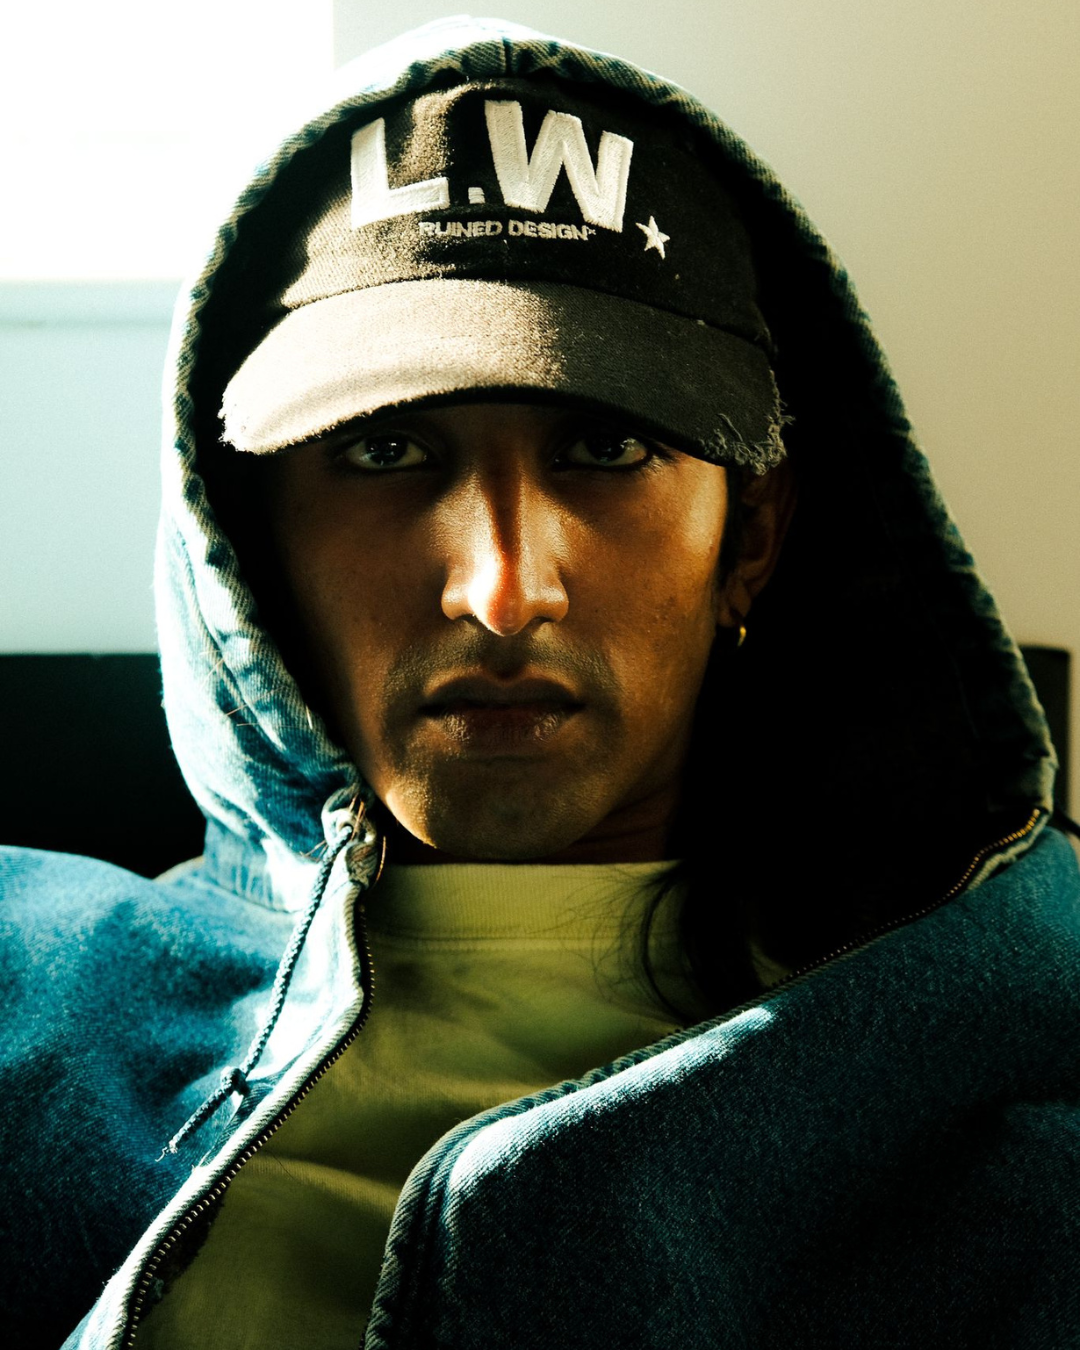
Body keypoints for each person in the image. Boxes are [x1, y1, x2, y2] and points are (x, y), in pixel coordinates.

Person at [2, 14, 1079, 1349]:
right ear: (250, 547)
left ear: (751, 534)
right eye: (386, 449)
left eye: (606, 448)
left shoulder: (1017, 1095)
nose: (503, 592)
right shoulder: (31, 998)